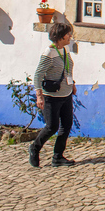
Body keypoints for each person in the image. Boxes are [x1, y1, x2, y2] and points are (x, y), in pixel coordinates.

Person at [29, 22, 77, 168]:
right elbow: (38, 75)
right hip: (51, 96)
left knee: (67, 124)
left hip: (66, 94)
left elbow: (67, 69)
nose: (70, 36)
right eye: (68, 34)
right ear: (61, 36)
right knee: (52, 126)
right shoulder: (49, 53)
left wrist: (72, 84)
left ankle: (58, 156)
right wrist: (39, 96)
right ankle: (35, 148)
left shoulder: (65, 49)